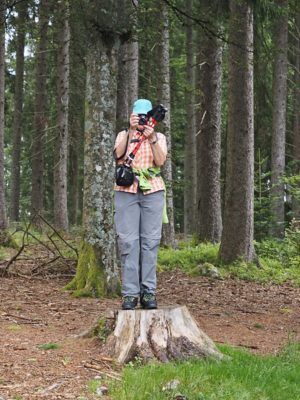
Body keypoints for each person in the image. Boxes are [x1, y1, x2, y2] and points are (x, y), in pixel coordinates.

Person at [114, 99, 168, 310]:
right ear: (133, 116)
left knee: (150, 242)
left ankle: (148, 292)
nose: (143, 120)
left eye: (146, 116)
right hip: (125, 191)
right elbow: (118, 155)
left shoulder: (159, 137)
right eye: (139, 116)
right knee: (128, 243)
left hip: (153, 190)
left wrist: (152, 137)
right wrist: (130, 130)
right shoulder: (123, 135)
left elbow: (161, 161)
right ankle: (129, 294)